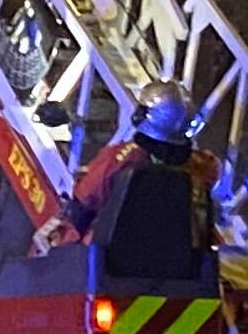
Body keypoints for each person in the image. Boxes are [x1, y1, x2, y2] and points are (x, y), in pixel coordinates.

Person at [71, 91, 218, 296]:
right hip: (182, 276)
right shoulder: (202, 167)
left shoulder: (117, 159)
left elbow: (83, 203)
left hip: (110, 270)